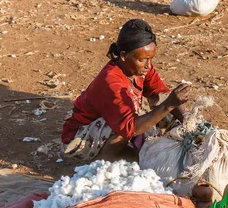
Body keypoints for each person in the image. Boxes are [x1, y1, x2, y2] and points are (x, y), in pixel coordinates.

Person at [61, 19, 189, 162]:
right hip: (79, 140)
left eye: (150, 59)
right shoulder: (111, 81)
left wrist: (189, 122)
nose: (148, 65)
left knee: (160, 107)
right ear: (123, 55)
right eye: (143, 60)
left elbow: (160, 94)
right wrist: (169, 104)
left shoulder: (141, 69)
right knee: (130, 126)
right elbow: (131, 127)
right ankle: (103, 162)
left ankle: (123, 154)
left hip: (109, 128)